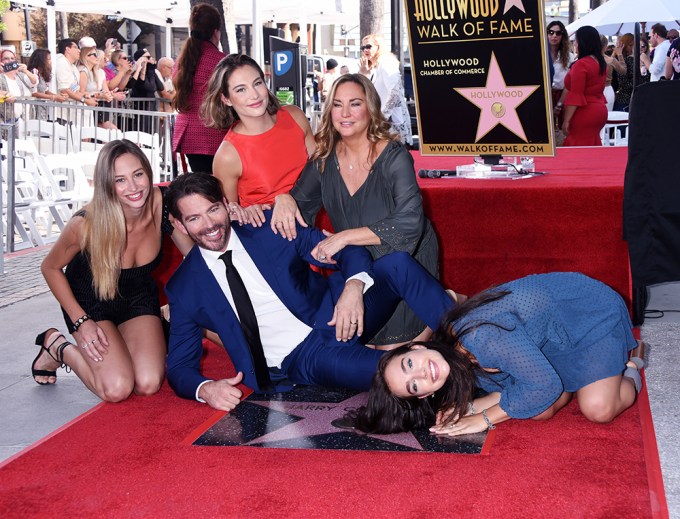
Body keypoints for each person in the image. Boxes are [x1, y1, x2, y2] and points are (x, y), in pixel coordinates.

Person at [163, 172, 456, 410]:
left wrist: (354, 286)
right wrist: (206, 389)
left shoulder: (269, 229)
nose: (210, 224)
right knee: (393, 375)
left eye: (213, 210)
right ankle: (456, 380)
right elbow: (178, 367)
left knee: (398, 265)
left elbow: (344, 249)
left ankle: (466, 342)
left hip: (339, 312)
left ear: (226, 205)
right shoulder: (184, 288)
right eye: (194, 218)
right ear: (179, 224)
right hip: (304, 355)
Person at [348, 272, 645, 435]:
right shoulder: (458, 362)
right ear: (423, 395)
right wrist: (470, 406)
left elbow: (544, 386)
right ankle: (588, 373)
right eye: (414, 385)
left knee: (599, 409)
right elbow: (530, 391)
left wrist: (484, 418)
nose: (422, 373)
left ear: (416, 346)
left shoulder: (477, 337)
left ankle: (630, 364)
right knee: (538, 409)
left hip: (586, 314)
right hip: (550, 342)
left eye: (409, 363)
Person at [270, 73, 442, 349]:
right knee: (362, 354)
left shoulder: (393, 155)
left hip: (408, 260)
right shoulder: (324, 160)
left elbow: (411, 223)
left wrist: (345, 237)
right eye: (337, 105)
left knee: (392, 356)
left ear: (371, 108)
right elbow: (296, 211)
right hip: (361, 264)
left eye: (355, 104)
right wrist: (283, 199)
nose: (345, 113)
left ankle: (448, 300)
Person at [30, 140, 193, 401]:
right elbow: (49, 267)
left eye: (138, 174)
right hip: (90, 304)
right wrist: (81, 322)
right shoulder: (85, 224)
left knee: (148, 383)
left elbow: (193, 258)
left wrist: (181, 300)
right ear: (107, 185)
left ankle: (126, 343)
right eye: (120, 180)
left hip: (138, 299)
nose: (134, 187)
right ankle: (57, 347)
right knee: (117, 388)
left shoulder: (161, 204)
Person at [201, 53, 315, 223]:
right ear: (226, 99)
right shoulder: (228, 155)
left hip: (317, 218)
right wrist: (248, 211)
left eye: (257, 83)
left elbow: (321, 171)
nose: (254, 95)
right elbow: (230, 217)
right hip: (271, 234)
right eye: (241, 89)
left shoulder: (295, 116)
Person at [172, 2, 226, 174]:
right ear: (216, 33)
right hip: (215, 135)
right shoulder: (221, 61)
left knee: (201, 187)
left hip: (188, 135)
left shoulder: (182, 60)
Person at [358, 34, 413, 146]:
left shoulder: (386, 61)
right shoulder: (373, 67)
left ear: (379, 46)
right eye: (363, 48)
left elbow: (395, 92)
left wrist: (382, 116)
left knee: (394, 158)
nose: (365, 50)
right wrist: (364, 74)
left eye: (369, 46)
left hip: (391, 123)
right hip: (381, 122)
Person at [561, 26, 608, 146]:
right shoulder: (600, 62)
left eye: (576, 40)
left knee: (577, 149)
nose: (574, 44)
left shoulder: (581, 65)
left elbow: (576, 95)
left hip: (584, 112)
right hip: (599, 110)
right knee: (592, 146)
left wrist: (566, 120)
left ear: (581, 42)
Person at [0, 48, 38, 126]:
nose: (10, 61)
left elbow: (34, 82)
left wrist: (25, 70)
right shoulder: (1, 77)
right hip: (7, 120)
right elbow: (1, 98)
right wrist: (5, 98)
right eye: (6, 58)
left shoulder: (20, 75)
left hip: (26, 117)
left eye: (12, 58)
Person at [27, 49, 68, 121]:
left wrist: (58, 96)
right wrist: (53, 97)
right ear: (41, 61)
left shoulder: (42, 74)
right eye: (48, 59)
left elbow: (46, 90)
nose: (50, 62)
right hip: (34, 108)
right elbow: (34, 93)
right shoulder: (33, 72)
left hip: (42, 108)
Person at [546, 21, 574, 125]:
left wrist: (559, 105)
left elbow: (569, 84)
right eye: (551, 32)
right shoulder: (539, 54)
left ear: (563, 36)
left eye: (558, 33)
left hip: (562, 96)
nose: (554, 36)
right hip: (543, 97)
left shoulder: (569, 57)